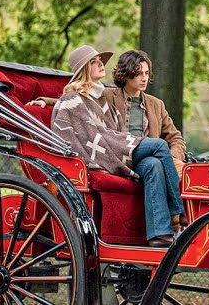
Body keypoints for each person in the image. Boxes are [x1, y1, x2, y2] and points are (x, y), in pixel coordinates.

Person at [50, 45, 186, 247]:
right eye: (138, 74)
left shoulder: (156, 104)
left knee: (154, 165)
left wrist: (174, 158)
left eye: (146, 73)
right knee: (158, 146)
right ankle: (180, 211)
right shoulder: (108, 96)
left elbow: (175, 137)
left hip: (143, 158)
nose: (144, 78)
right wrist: (45, 101)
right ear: (127, 75)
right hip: (120, 149)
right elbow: (78, 99)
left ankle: (159, 234)